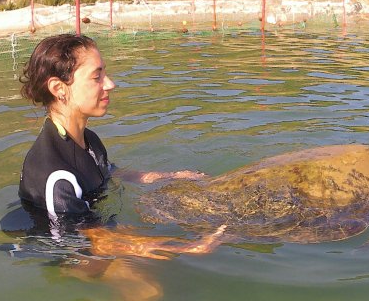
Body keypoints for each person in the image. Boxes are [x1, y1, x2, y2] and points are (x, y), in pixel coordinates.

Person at [16, 33, 223, 254]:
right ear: (59, 89)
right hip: (68, 254)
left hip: (94, 226)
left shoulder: (89, 140)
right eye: (97, 77)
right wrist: (188, 247)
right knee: (149, 288)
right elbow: (91, 241)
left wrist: (170, 176)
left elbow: (110, 172)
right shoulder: (56, 175)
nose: (110, 84)